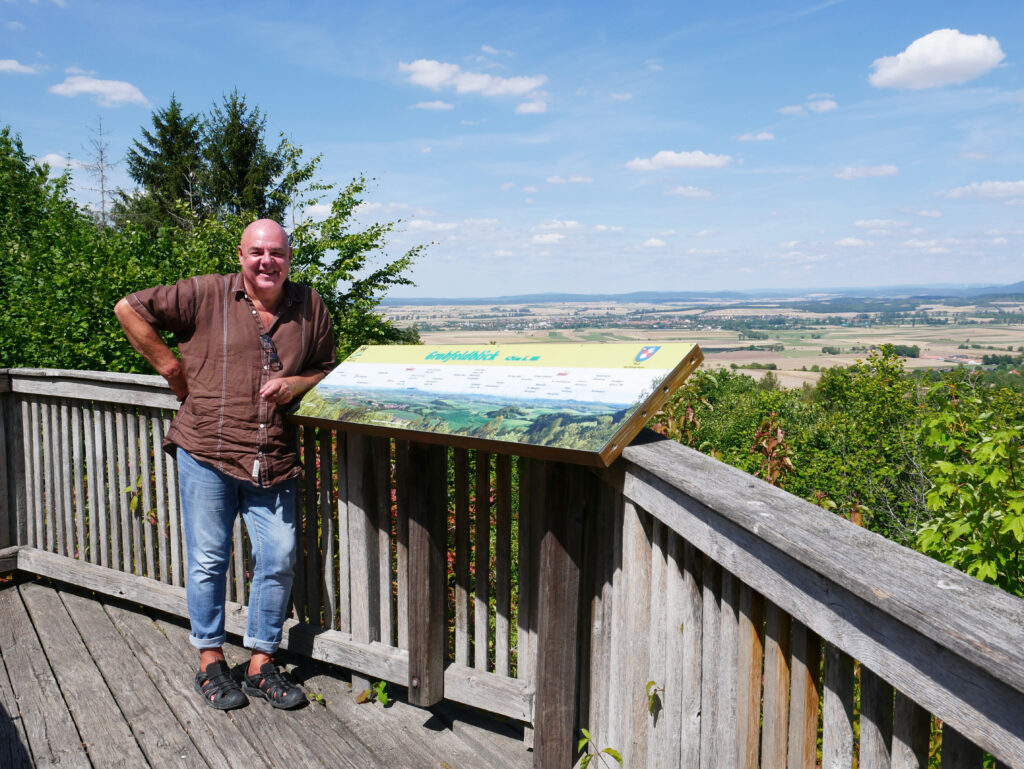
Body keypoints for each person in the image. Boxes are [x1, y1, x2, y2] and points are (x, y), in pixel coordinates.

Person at [115, 219, 335, 710]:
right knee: (209, 560)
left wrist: (295, 385)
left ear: (289, 257)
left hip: (272, 456)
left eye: (276, 253)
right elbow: (128, 308)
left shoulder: (310, 305)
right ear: (241, 255)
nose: (267, 262)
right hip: (206, 452)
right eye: (257, 252)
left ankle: (260, 662)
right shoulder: (206, 294)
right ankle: (211, 660)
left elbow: (326, 366)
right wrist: (170, 368)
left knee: (277, 558)